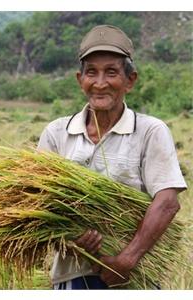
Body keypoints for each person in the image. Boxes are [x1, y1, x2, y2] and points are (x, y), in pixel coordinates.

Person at [37, 25, 187, 289]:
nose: (100, 83)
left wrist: (125, 261)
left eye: (112, 72)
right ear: (79, 80)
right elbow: (38, 202)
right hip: (70, 276)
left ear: (130, 80)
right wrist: (70, 236)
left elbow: (167, 202)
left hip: (133, 277)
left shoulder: (150, 131)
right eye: (91, 72)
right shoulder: (57, 132)